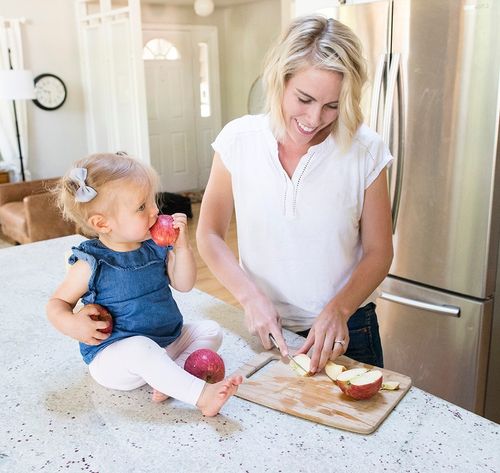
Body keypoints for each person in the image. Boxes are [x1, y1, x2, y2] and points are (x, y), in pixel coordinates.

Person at [196, 15, 393, 375]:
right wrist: (249, 298)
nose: (315, 118)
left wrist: (339, 310)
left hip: (347, 330)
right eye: (304, 99)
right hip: (266, 328)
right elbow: (208, 233)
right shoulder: (238, 141)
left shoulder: (366, 151)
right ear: (280, 81)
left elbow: (380, 252)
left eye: (332, 105)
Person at [46, 152, 242, 417]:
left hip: (164, 342)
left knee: (211, 330)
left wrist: (183, 248)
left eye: (152, 201)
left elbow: (184, 284)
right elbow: (57, 304)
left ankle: (171, 379)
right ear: (102, 223)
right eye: (141, 207)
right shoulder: (91, 263)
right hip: (116, 357)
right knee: (140, 348)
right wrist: (72, 324)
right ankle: (200, 396)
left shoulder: (155, 246)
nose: (155, 211)